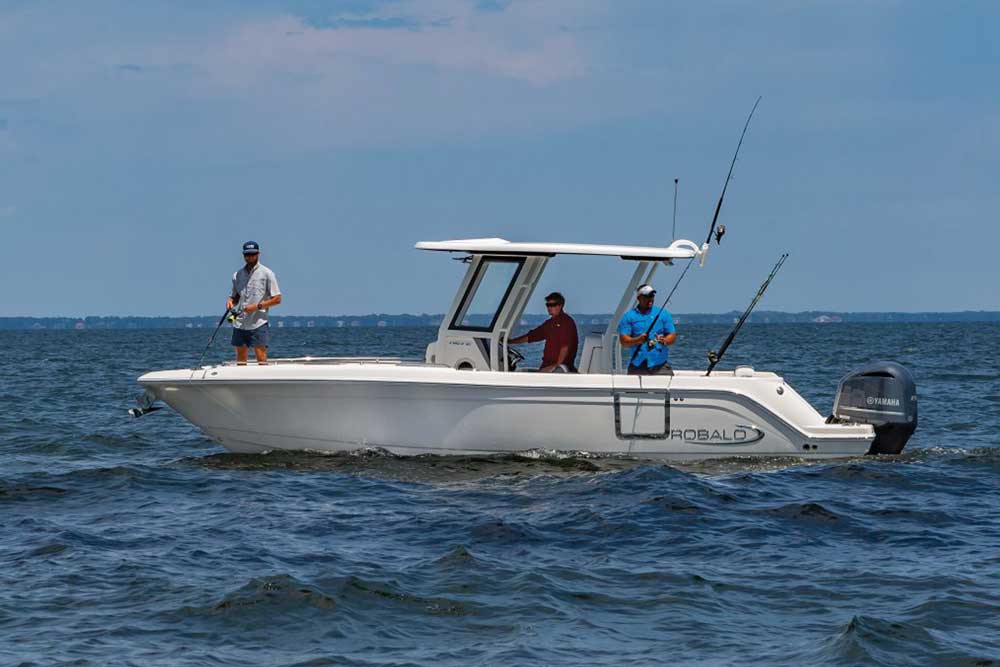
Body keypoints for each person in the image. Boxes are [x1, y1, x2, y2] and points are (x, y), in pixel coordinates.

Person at [228, 241, 282, 365]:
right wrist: (230, 301)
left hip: (259, 323)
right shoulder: (237, 275)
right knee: (241, 358)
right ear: (243, 255)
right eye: (247, 255)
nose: (250, 257)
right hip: (240, 323)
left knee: (261, 356)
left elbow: (277, 299)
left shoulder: (267, 273)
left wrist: (257, 306)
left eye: (253, 254)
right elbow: (235, 297)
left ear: (258, 254)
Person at [509, 292, 579, 372]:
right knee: (522, 372)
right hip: (547, 366)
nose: (549, 308)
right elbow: (531, 336)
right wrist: (510, 342)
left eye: (553, 305)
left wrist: (557, 365)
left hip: (560, 368)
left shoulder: (566, 322)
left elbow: (565, 347)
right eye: (548, 305)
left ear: (560, 305)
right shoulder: (549, 324)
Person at [618, 284, 676, 375]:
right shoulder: (628, 316)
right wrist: (638, 340)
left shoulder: (663, 314)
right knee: (632, 389)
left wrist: (664, 340)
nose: (650, 299)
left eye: (652, 296)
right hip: (637, 365)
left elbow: (672, 335)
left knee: (670, 388)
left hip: (660, 365)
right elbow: (624, 341)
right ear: (639, 298)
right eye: (647, 296)